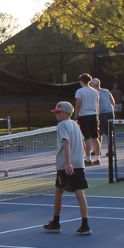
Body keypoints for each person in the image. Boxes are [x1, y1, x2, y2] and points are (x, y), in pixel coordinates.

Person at [44, 102, 91, 236]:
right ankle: (85, 225)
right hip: (78, 163)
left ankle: (56, 222)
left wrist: (68, 163)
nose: (57, 115)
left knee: (59, 191)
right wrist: (82, 158)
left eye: (59, 113)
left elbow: (66, 142)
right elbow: (82, 142)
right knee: (79, 192)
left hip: (65, 164)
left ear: (66, 113)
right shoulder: (75, 124)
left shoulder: (62, 125)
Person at [73, 73, 101, 165]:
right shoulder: (95, 91)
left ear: (81, 81)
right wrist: (98, 117)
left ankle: (88, 159)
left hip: (84, 116)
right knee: (95, 137)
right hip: (94, 115)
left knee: (86, 138)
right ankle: (97, 158)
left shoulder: (80, 91)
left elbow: (78, 105)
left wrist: (76, 116)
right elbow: (97, 105)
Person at [91, 79, 116, 156]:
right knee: (110, 133)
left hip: (101, 113)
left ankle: (97, 150)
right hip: (110, 112)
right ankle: (111, 150)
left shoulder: (94, 92)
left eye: (91, 84)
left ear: (95, 85)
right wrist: (112, 110)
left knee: (99, 132)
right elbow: (112, 102)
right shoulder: (106, 91)